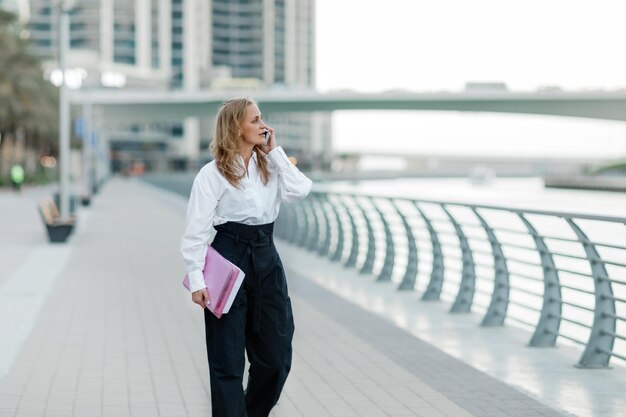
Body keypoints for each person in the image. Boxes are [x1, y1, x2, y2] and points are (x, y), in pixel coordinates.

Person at [180, 98, 312, 417]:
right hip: (227, 258)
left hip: (267, 257)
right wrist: (197, 279)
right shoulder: (212, 174)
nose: (263, 126)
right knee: (227, 362)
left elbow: (301, 190)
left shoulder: (270, 166)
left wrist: (275, 154)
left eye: (262, 119)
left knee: (276, 356)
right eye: (255, 120)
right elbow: (196, 231)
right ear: (236, 127)